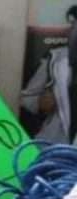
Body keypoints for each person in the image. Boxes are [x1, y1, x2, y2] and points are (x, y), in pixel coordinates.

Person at [20, 6, 77, 144]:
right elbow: (27, 97)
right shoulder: (55, 59)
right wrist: (40, 103)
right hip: (56, 143)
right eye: (74, 25)